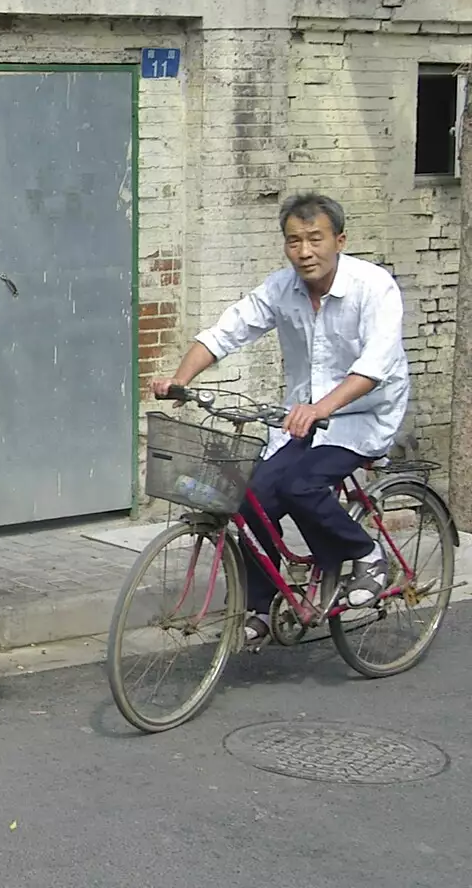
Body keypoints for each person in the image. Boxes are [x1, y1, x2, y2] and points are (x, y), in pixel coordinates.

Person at [151, 192, 410, 644]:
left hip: (364, 415)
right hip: (302, 419)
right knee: (249, 500)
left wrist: (323, 407)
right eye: (294, 241)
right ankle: (263, 605)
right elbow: (226, 331)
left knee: (300, 485)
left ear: (339, 240)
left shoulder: (374, 287)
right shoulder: (281, 287)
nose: (304, 252)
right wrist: (180, 380)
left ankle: (365, 553)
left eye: (315, 239)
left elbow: (375, 366)